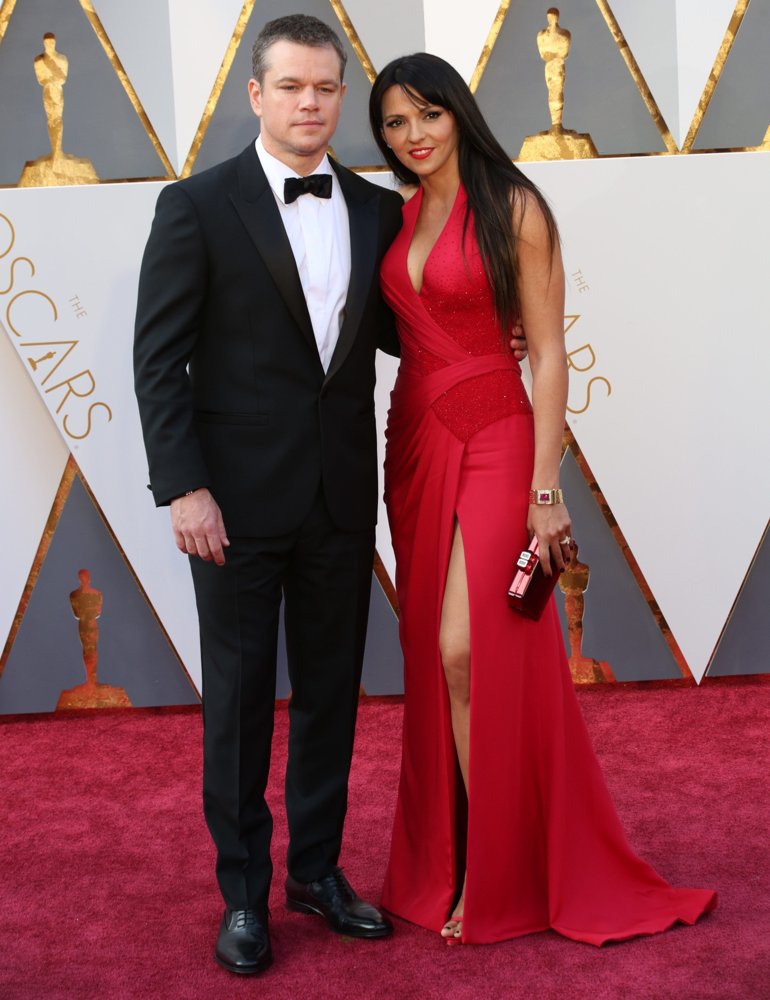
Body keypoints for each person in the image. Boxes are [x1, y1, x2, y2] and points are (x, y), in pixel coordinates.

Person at [369, 53, 716, 945]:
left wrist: (545, 485)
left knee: (466, 646)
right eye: (395, 124)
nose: (413, 136)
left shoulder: (513, 205)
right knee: (437, 661)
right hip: (412, 442)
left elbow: (549, 351)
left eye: (427, 116)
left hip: (494, 436)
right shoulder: (401, 213)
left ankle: (502, 870)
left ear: (459, 113)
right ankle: (457, 862)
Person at [133, 14, 405, 976]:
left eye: (326, 89)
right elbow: (159, 361)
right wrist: (184, 488)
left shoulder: (378, 211)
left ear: (342, 95)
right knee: (242, 703)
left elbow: (407, 332)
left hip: (340, 493)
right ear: (256, 93)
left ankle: (318, 874)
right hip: (232, 505)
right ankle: (244, 894)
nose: (310, 104)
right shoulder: (196, 207)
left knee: (332, 694)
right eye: (291, 87)